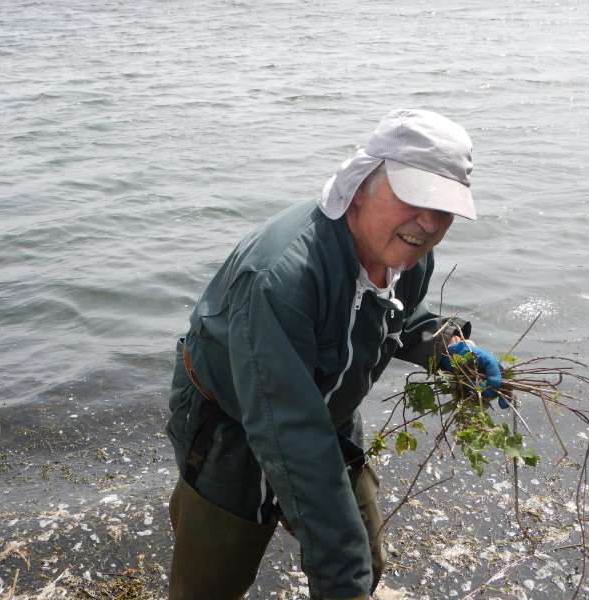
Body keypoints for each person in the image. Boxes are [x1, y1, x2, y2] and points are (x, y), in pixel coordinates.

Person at [165, 109, 502, 600]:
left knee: (364, 557)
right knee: (212, 584)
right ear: (361, 184)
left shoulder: (407, 252)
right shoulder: (282, 276)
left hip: (327, 412)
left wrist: (446, 346)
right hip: (230, 427)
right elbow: (289, 431)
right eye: (414, 197)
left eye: (443, 207)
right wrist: (341, 577)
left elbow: (399, 314)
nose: (429, 223)